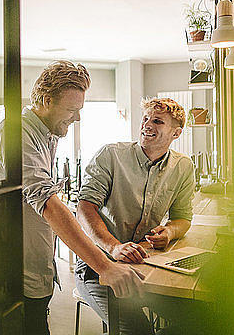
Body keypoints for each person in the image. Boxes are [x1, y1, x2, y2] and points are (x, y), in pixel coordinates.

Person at [0, 60, 144, 335]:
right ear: (45, 100)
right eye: (71, 110)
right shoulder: (16, 132)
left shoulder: (46, 134)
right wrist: (105, 267)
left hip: (34, 272)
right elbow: (48, 205)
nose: (76, 118)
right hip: (9, 278)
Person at [75, 97, 196, 335]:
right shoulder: (111, 155)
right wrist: (114, 247)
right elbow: (84, 208)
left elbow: (183, 218)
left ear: (176, 133)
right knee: (137, 331)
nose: (147, 125)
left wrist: (169, 232)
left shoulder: (183, 167)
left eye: (158, 121)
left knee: (203, 319)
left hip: (144, 263)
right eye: (146, 119)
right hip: (98, 266)